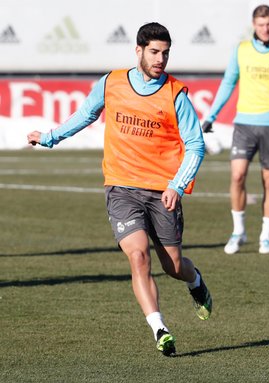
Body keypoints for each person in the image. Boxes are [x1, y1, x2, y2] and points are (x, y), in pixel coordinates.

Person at [27, 22, 212, 357]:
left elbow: (196, 146)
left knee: (172, 266)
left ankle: (195, 281)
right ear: (138, 50)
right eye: (155, 52)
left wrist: (177, 185)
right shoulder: (111, 82)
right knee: (138, 255)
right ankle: (160, 328)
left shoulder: (176, 94)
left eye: (166, 53)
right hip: (121, 186)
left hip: (162, 191)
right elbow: (85, 115)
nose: (161, 59)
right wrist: (50, 137)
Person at [201, 4, 269, 255]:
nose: (265, 29)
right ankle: (238, 231)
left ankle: (265, 237)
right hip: (244, 124)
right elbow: (228, 82)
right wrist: (211, 115)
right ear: (253, 26)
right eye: (260, 25)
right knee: (237, 176)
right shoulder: (242, 50)